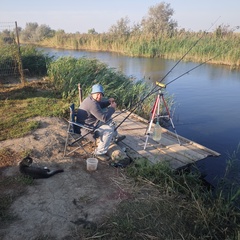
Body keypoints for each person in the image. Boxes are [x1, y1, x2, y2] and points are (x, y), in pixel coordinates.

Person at [76, 84, 125, 161]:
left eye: (101, 95)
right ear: (93, 93)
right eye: (97, 94)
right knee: (108, 130)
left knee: (110, 120)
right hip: (87, 130)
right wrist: (112, 108)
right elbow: (104, 118)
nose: (99, 96)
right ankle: (99, 153)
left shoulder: (91, 99)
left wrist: (108, 102)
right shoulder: (92, 104)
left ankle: (113, 138)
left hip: (90, 124)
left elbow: (100, 105)